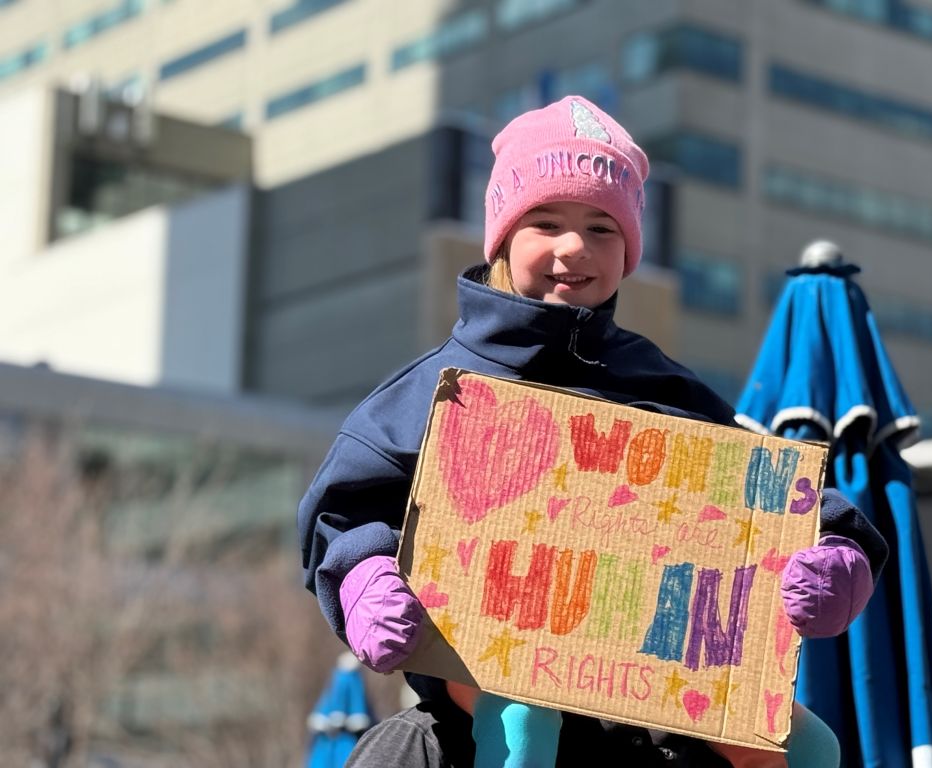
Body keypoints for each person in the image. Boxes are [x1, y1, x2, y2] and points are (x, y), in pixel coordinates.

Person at [297, 95, 888, 767]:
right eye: (546, 222)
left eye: (602, 227)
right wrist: (364, 577)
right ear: (502, 237)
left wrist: (836, 551)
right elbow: (346, 509)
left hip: (657, 678)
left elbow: (765, 492)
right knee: (522, 717)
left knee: (809, 747)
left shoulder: (662, 386)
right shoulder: (434, 391)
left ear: (629, 249)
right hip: (485, 653)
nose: (574, 247)